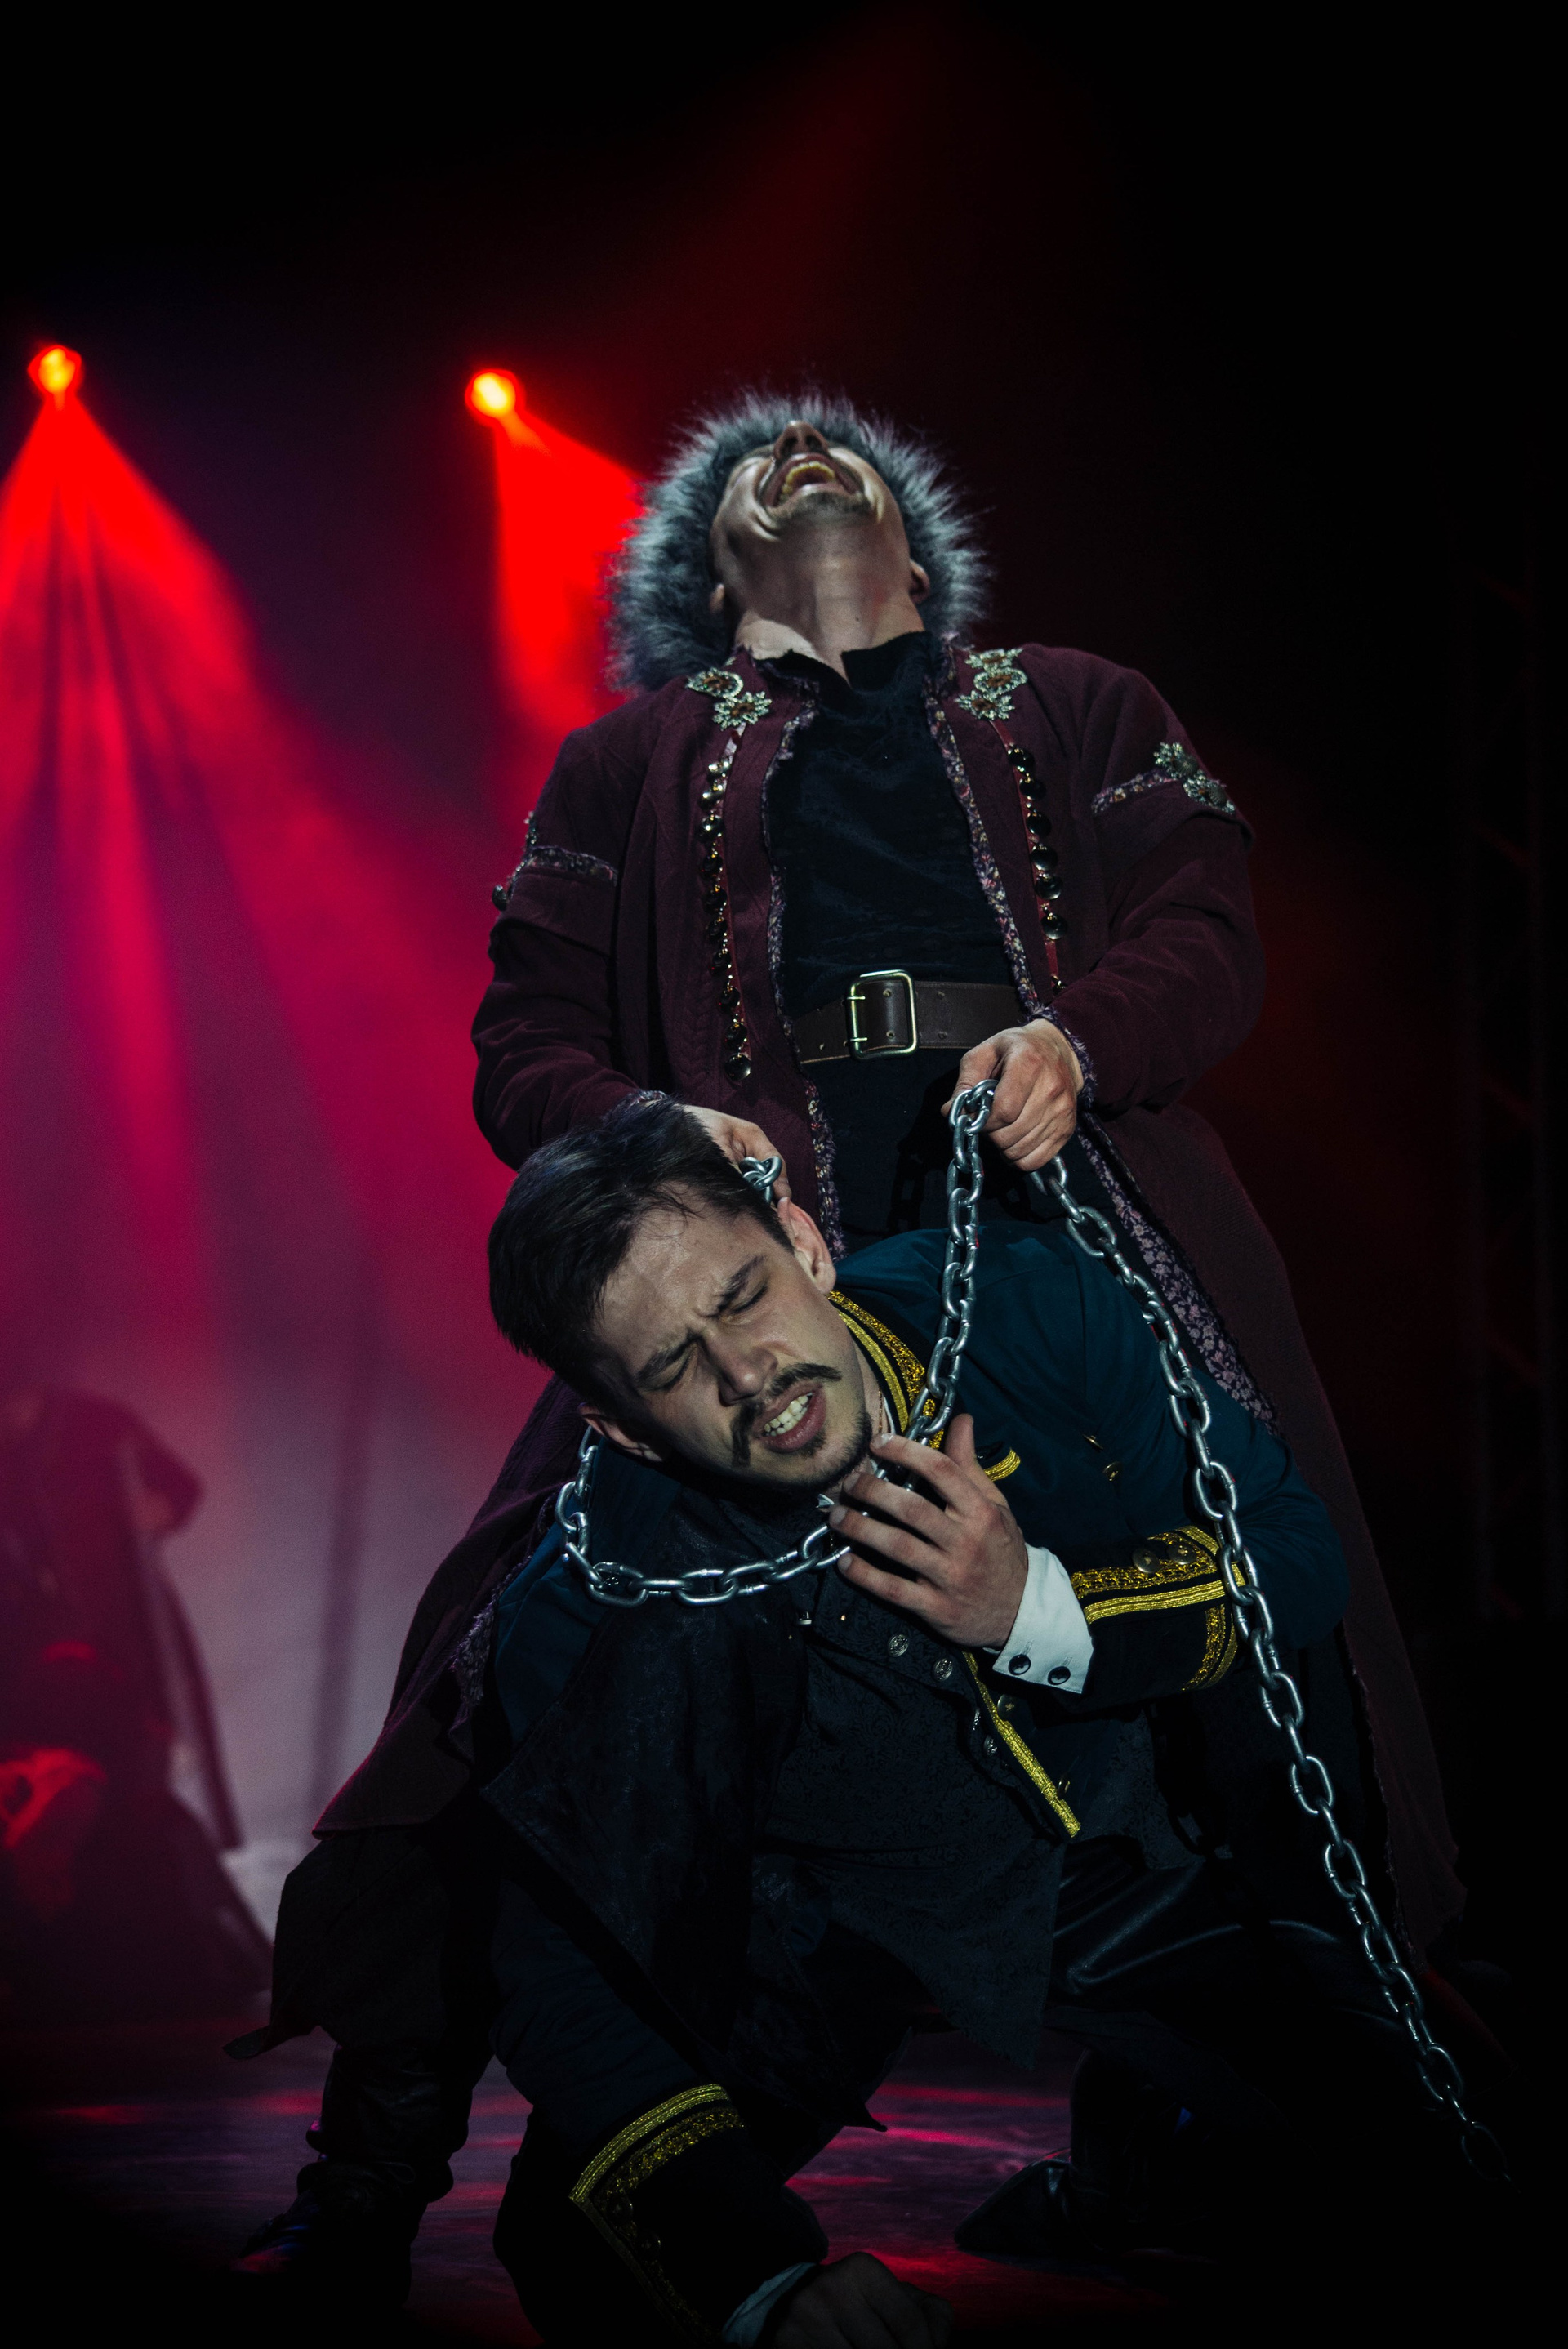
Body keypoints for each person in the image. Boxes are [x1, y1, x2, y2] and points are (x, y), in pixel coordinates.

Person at [327, 394, 1457, 1977]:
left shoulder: (1077, 700)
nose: (796, 440)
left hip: (1077, 1206)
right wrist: (661, 1126)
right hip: (772, 1269)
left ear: (918, 559)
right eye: (753, 467)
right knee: (521, 1645)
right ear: (714, 584)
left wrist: (1080, 1038)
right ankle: (433, 2082)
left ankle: (1299, 2011)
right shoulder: (624, 764)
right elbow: (520, 1046)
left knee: (1253, 1583)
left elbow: (1207, 930)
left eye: (837, 447)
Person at [243, 1101, 1487, 2340]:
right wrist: (764, 2288)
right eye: (674, 1367)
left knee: (1466, 2170)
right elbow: (564, 1971)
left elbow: (1295, 1553)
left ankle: (1146, 2155)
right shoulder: (588, 1611)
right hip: (804, 1946)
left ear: (801, 1239)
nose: (750, 1377)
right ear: (619, 1426)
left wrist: (1031, 1606)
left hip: (1121, 1867)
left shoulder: (1027, 1303)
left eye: (743, 1297)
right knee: (596, 2245)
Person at [0, 1385, 269, 2022]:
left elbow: (178, 1490)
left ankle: (147, 1956)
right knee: (56, 1789)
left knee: (127, 1778)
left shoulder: (96, 1424)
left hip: (115, 1627)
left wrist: (155, 1510)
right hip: (37, 1639)